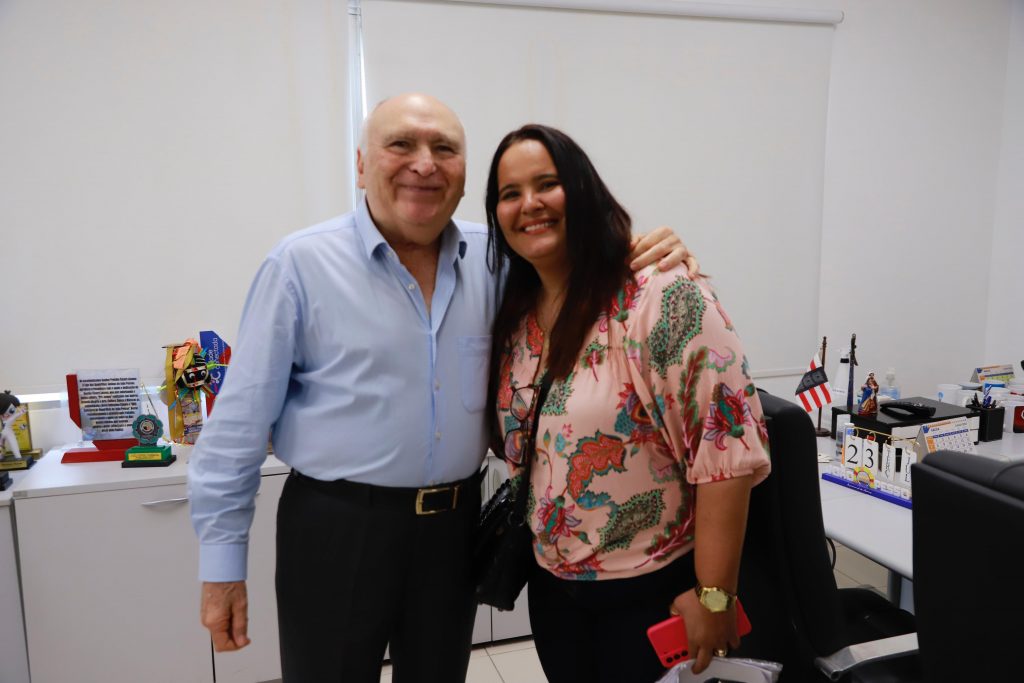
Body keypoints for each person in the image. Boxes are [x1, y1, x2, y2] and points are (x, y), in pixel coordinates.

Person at [188, 93, 696, 682]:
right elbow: (238, 429)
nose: (424, 163)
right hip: (336, 528)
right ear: (361, 165)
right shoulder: (299, 266)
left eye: (444, 149)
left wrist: (652, 251)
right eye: (401, 144)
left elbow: (581, 274)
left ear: (464, 174)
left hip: (452, 530)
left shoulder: (500, 261)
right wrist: (221, 568)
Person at [485, 124, 772, 682]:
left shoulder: (659, 295)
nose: (530, 204)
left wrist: (715, 596)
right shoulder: (517, 317)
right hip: (554, 594)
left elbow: (726, 454)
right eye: (510, 193)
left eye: (547, 184)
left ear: (583, 190)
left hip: (654, 595)